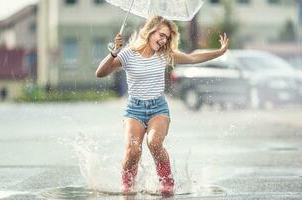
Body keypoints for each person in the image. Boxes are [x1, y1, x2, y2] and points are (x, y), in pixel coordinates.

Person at [95, 15, 229, 196]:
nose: (163, 40)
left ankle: (166, 181)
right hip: (134, 109)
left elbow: (192, 57)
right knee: (133, 150)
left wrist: (219, 52)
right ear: (150, 32)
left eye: (166, 37)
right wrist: (113, 52)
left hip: (158, 109)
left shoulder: (164, 55)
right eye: (161, 35)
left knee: (154, 143)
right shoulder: (127, 54)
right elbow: (100, 73)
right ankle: (128, 182)